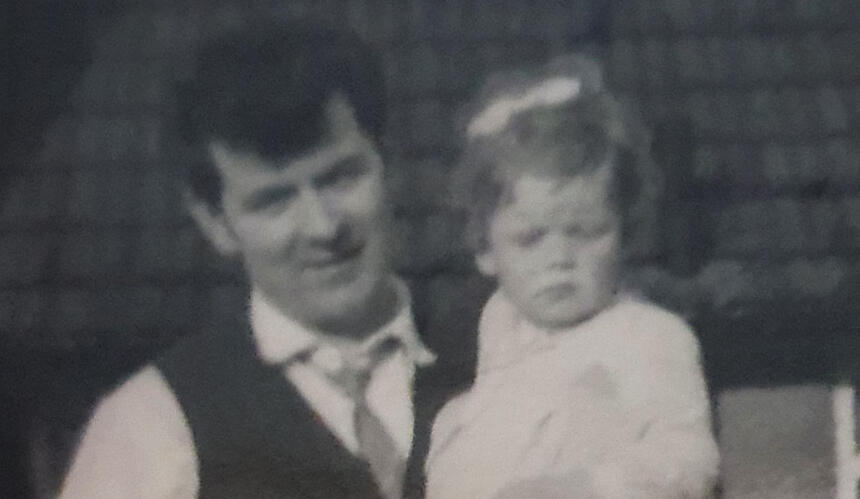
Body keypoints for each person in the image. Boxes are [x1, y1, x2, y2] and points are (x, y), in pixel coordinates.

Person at [59, 23, 469, 499]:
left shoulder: (501, 345)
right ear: (216, 222)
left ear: (388, 165)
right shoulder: (152, 423)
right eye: (274, 201)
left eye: (340, 177)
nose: (322, 228)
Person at [424, 55, 719, 498]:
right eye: (530, 239)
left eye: (586, 232)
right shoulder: (494, 331)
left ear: (625, 234)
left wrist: (586, 487)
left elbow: (688, 461)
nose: (559, 258)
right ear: (485, 249)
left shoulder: (649, 338)